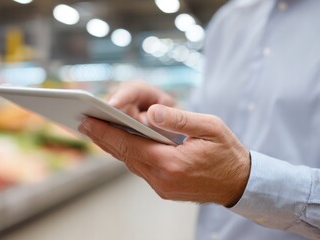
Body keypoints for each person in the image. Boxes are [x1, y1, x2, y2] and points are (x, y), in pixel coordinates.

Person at [78, 0, 320, 239]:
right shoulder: (229, 19)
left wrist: (242, 180)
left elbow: (232, 166)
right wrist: (165, 120)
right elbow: (207, 123)